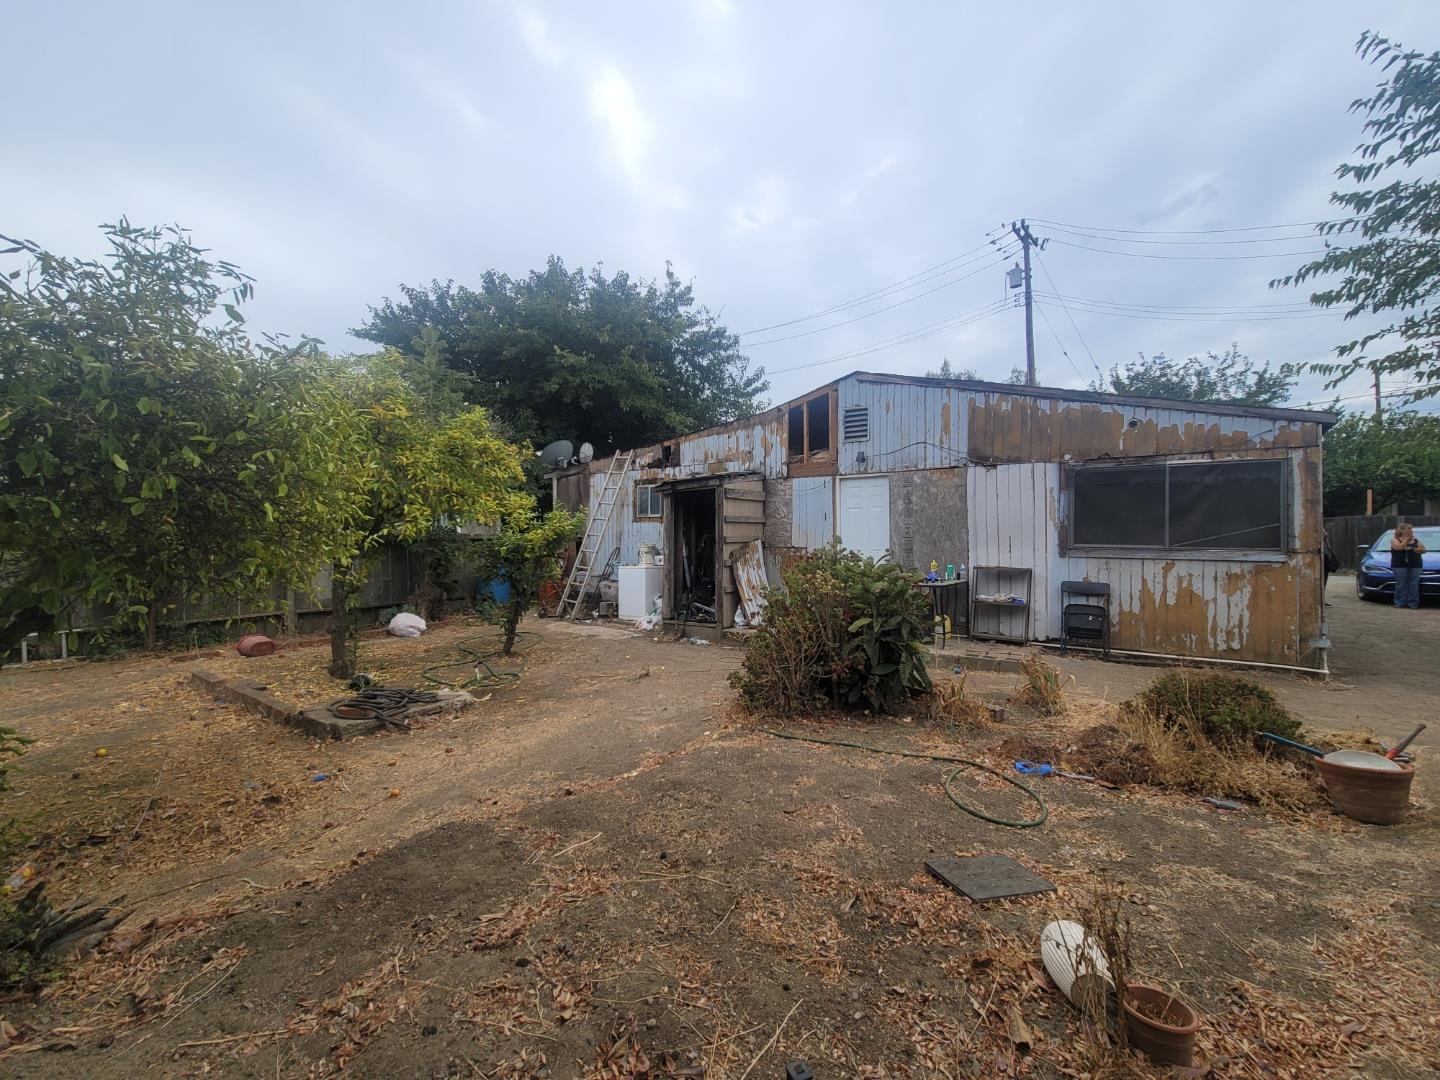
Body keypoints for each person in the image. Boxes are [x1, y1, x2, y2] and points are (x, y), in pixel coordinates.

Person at [1391, 522, 1426, 610]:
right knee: (1401, 584)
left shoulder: (1416, 540)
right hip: (1400, 565)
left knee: (1414, 584)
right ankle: (1399, 603)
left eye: (1411, 529)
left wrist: (1412, 548)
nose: (1411, 531)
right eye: (1409, 529)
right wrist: (1407, 540)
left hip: (1416, 565)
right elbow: (1400, 547)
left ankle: (1413, 603)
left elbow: (1423, 550)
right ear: (1402, 531)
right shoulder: (1395, 540)